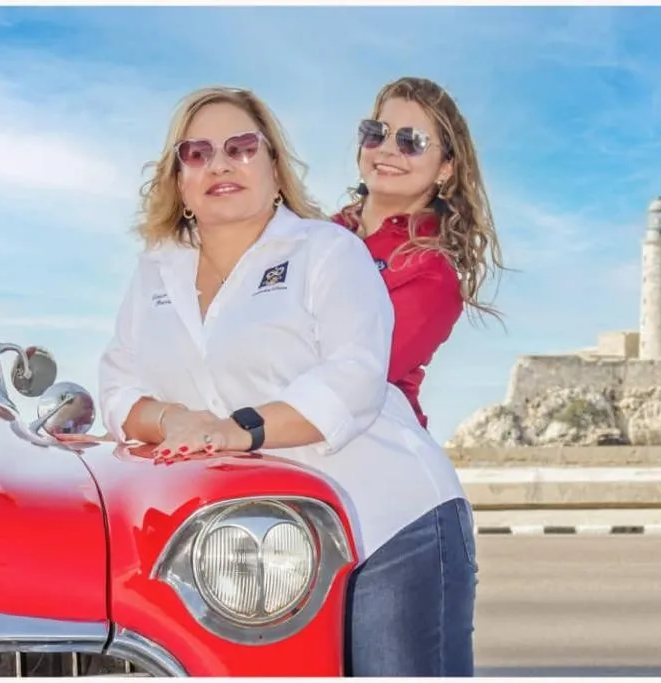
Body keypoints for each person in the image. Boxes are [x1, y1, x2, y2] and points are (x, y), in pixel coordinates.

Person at [96, 86, 477, 677]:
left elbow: (355, 376)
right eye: (197, 153)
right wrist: (175, 420)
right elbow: (118, 387)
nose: (219, 163)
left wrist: (236, 430)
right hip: (266, 540)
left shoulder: (328, 251)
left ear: (275, 166)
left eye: (241, 147)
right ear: (178, 180)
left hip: (388, 520)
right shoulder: (154, 269)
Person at [334, 76, 504, 430]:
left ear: (446, 168)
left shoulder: (431, 274)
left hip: (375, 453)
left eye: (412, 141)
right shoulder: (314, 233)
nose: (387, 149)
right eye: (376, 132)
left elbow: (355, 381)